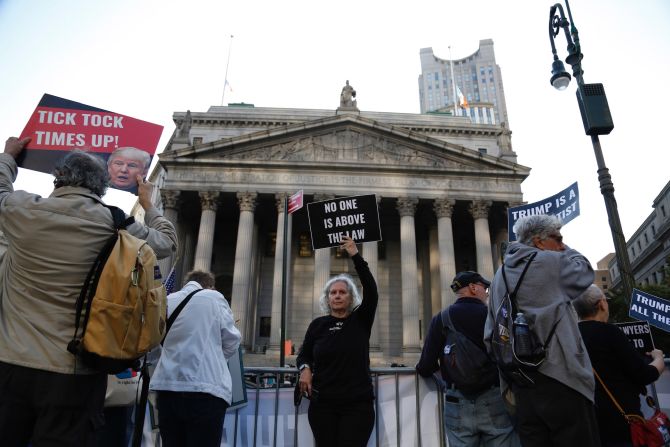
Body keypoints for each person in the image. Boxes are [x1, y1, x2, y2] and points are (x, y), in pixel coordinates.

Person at [0, 136, 177, 445]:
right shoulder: (116, 223)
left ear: (59, 178)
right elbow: (166, 243)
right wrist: (148, 206)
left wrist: (8, 157)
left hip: (10, 363)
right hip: (75, 371)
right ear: (102, 186)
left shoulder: (22, 209)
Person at [484, 214, 600, 447]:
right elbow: (585, 271)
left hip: (522, 386)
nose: (561, 244)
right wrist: (567, 249)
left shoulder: (499, 277)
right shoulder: (550, 262)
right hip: (562, 378)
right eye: (557, 238)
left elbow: (489, 336)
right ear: (538, 242)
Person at [416, 271, 519, 447]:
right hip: (494, 398)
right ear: (472, 287)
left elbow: (425, 366)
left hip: (456, 401)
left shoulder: (441, 319)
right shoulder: (494, 317)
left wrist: (448, 380)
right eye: (484, 288)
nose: (487, 292)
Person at [296, 236, 378, 447]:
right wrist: (305, 368)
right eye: (333, 293)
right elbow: (304, 354)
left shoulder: (360, 320)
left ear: (351, 298)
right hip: (323, 405)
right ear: (327, 298)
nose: (337, 296)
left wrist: (355, 254)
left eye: (342, 292)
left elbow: (372, 290)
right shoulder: (318, 325)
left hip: (357, 405)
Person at [150, 270, 241, 447]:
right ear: (210, 285)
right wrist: (213, 357)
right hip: (206, 390)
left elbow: (153, 345)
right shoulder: (213, 298)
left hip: (167, 388)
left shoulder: (167, 300)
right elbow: (232, 341)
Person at [575, 284, 665, 447]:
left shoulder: (571, 337)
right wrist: (658, 359)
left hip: (587, 424)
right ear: (601, 304)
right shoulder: (610, 332)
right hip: (621, 425)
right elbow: (644, 374)